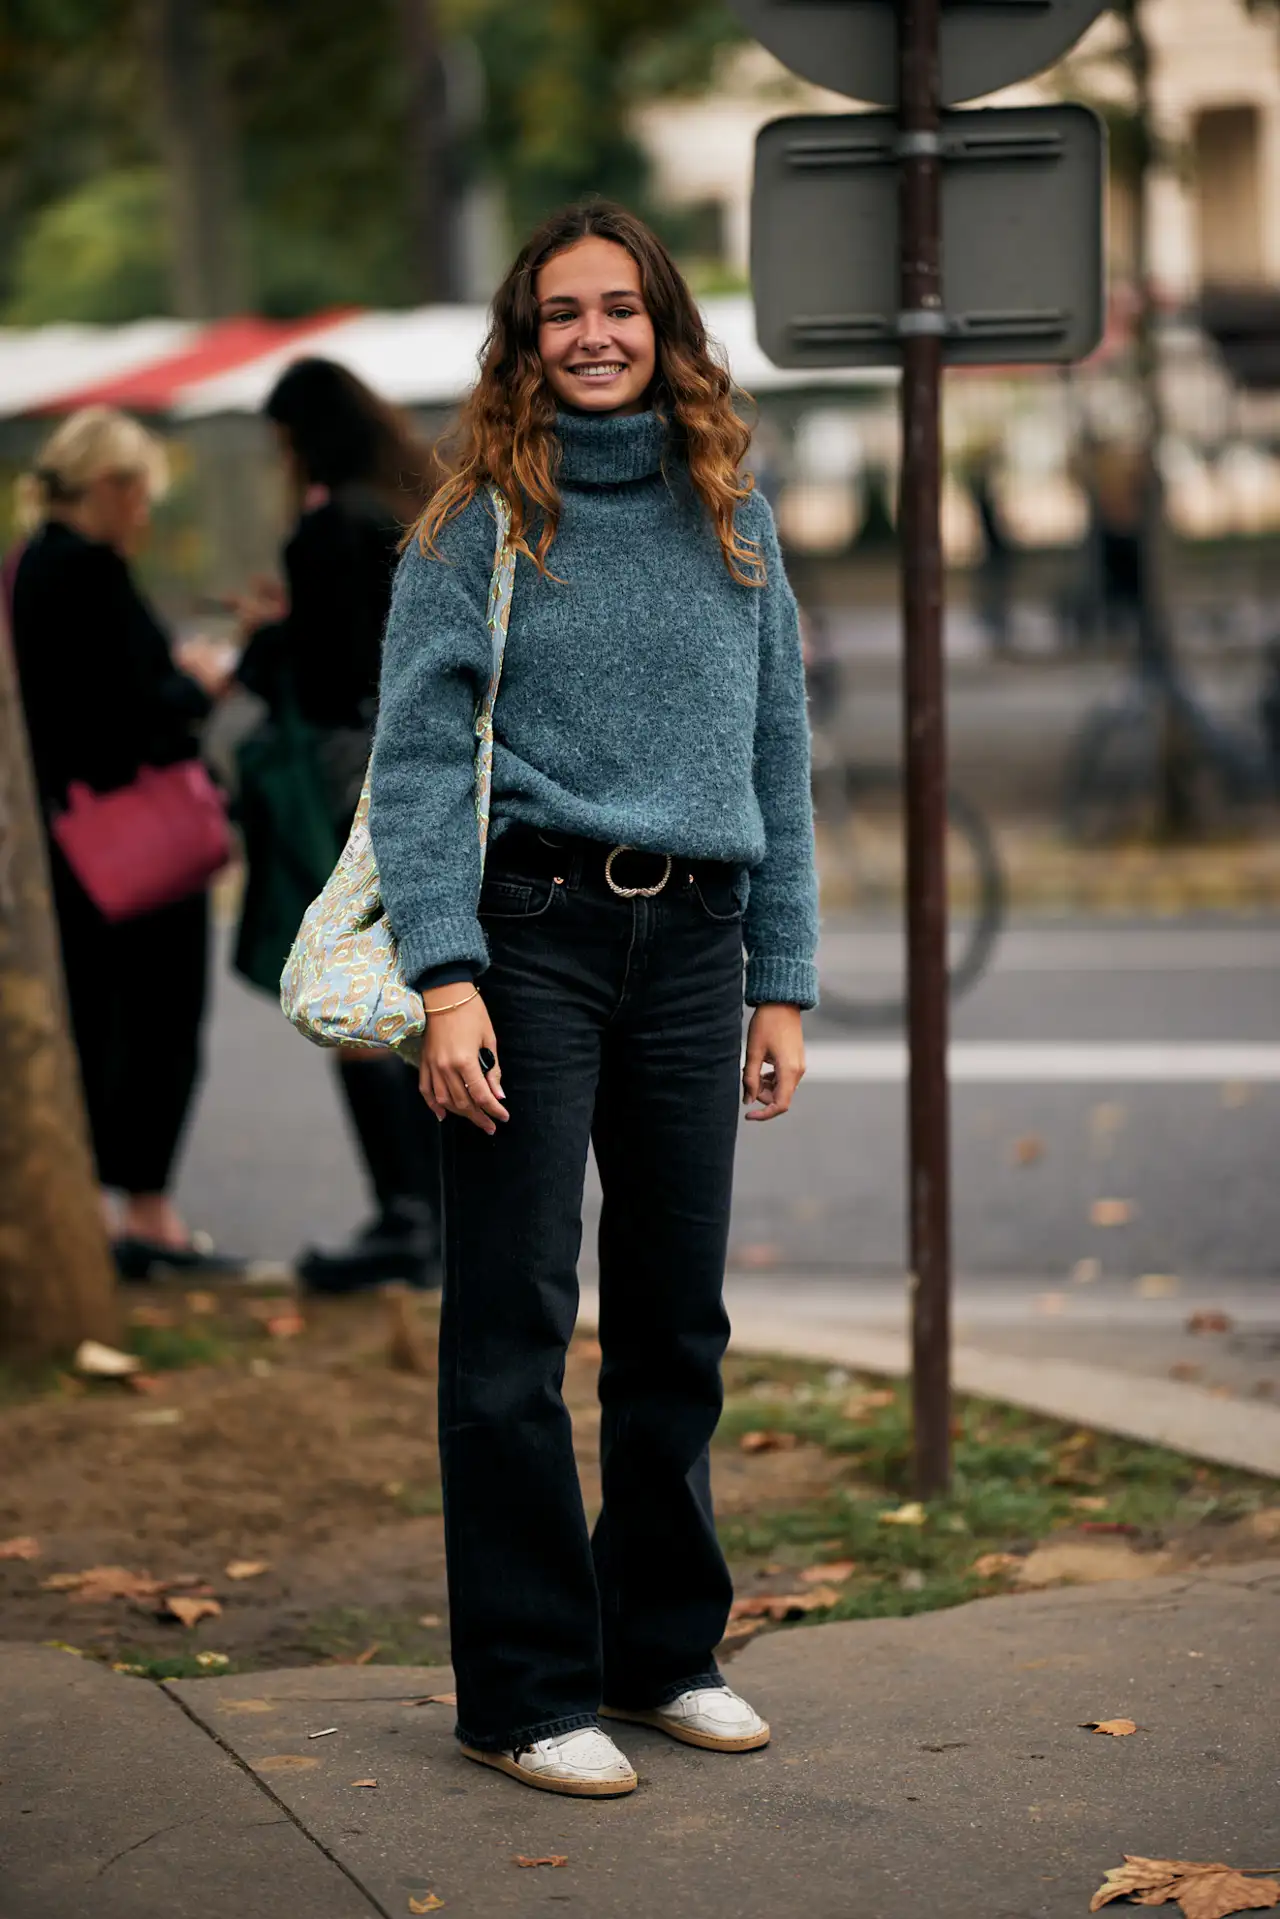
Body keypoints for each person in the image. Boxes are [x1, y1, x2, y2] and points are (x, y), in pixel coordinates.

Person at [368, 201, 818, 1797]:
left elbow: (780, 762)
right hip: (529, 935)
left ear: (668, 325)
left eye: (622, 306)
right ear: (525, 339)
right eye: (563, 312)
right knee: (513, 1322)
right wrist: (445, 976)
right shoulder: (475, 524)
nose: (596, 334)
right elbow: (418, 762)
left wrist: (786, 979)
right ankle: (521, 1687)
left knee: (676, 1320)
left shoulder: (735, 522)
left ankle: (662, 1652)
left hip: (697, 948)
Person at [235, 359, 444, 1292]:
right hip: (420, 771)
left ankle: (404, 1217)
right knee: (425, 987)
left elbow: (320, 670)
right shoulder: (408, 507)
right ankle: (438, 1214)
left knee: (351, 994)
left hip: (343, 784)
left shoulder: (327, 529)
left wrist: (263, 639)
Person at [11, 407, 231, 1277]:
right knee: (158, 1019)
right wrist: (200, 684)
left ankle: (107, 1210)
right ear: (108, 487)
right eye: (141, 494)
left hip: (65, 838)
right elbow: (135, 714)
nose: (146, 514)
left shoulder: (26, 567)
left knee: (96, 1020)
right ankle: (149, 1214)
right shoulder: (92, 572)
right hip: (133, 848)